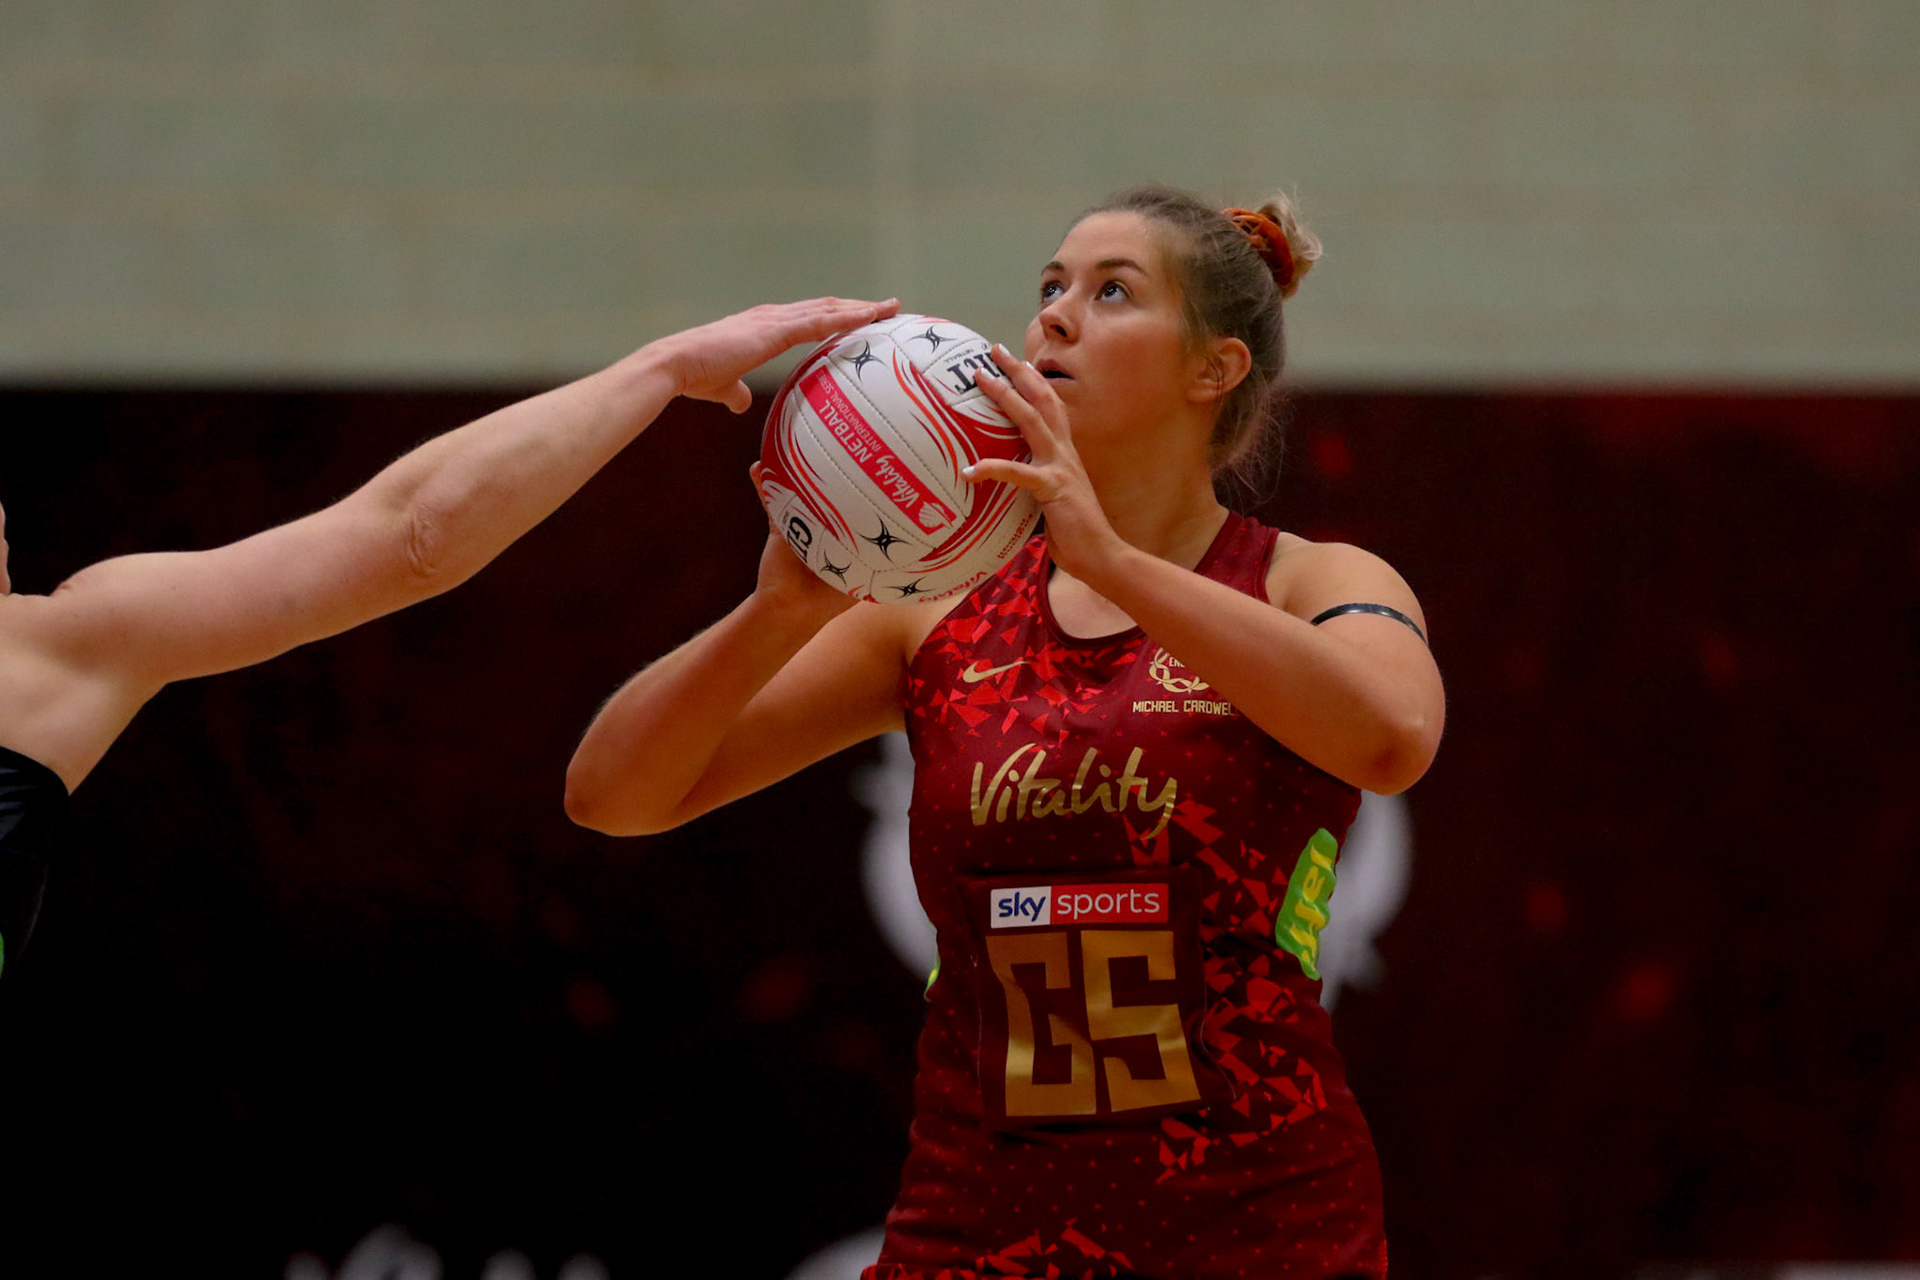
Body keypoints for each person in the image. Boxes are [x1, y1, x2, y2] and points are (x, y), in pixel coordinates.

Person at [566, 184, 1444, 1279]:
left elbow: (1393, 736)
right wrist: (778, 612)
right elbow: (615, 792)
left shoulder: (1310, 579)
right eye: (1049, 287)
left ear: (1213, 368)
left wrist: (1117, 564)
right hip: (977, 1231)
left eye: (1110, 291)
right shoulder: (935, 606)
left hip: (1260, 1231)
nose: (1053, 318)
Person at [0, 294, 900, 977]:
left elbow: (411, 535)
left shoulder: (47, 654)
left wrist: (664, 368)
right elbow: (411, 538)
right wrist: (663, 367)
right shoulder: (38, 661)